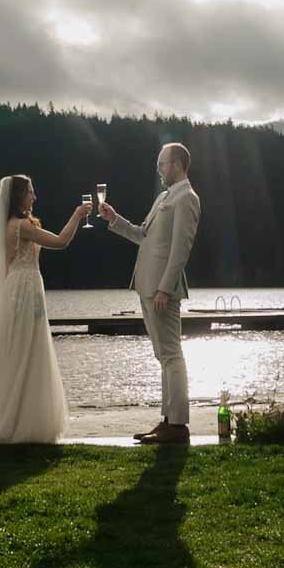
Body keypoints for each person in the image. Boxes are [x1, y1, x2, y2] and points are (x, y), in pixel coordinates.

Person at [0, 174, 90, 445]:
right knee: (27, 352)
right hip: (24, 289)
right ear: (19, 196)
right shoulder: (20, 226)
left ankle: (16, 416)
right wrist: (78, 215)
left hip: (20, 289)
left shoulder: (9, 225)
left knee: (21, 352)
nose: (34, 197)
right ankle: (20, 421)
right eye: (30, 192)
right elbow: (60, 241)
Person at [99, 142, 200, 444]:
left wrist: (164, 289)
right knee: (163, 355)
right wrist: (114, 219)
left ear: (178, 165)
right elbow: (143, 235)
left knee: (171, 354)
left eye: (163, 164)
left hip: (160, 290)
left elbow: (181, 249)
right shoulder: (163, 198)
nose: (159, 170)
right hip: (147, 285)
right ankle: (167, 420)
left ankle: (179, 426)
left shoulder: (187, 198)